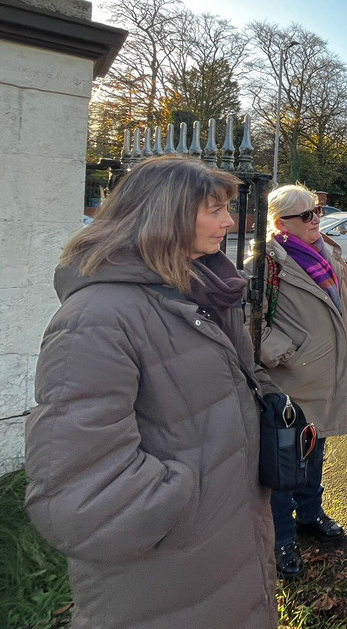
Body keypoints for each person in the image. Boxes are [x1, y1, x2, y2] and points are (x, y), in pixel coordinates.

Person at [24, 155, 276, 629]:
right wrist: (188, 497)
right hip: (168, 573)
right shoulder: (97, 316)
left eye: (227, 208)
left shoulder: (201, 291)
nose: (229, 221)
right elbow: (80, 493)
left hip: (226, 549)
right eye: (214, 209)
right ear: (165, 214)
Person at [258, 184, 347, 579]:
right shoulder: (266, 260)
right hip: (292, 378)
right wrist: (283, 351)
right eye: (306, 215)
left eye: (317, 210)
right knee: (285, 459)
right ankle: (282, 537)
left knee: (315, 449)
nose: (316, 219)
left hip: (329, 371)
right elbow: (249, 321)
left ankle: (310, 515)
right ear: (280, 223)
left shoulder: (329, 251)